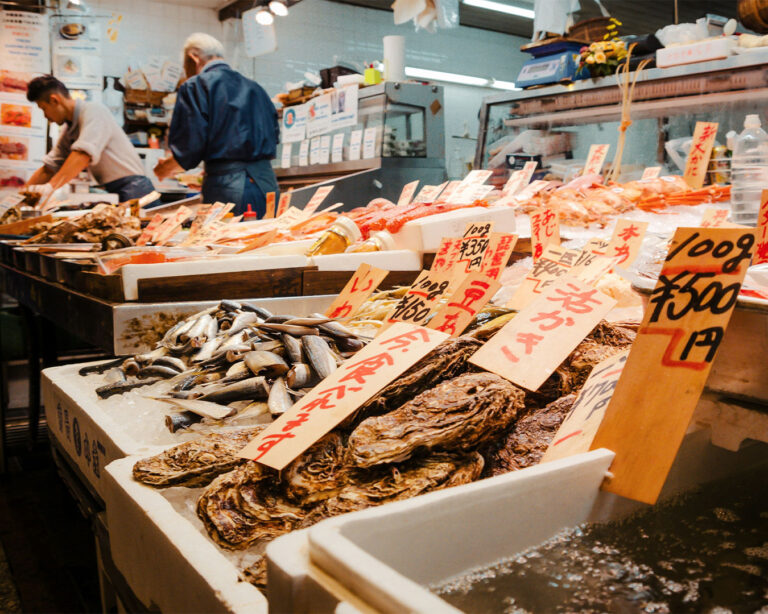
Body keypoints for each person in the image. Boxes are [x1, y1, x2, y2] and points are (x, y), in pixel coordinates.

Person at [154, 33, 279, 217]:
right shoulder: (255, 88)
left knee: (227, 243)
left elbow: (188, 150)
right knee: (264, 241)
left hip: (229, 188)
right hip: (267, 184)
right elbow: (273, 137)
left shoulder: (196, 86)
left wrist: (164, 169)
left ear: (193, 57)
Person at [25, 75, 155, 204]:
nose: (45, 116)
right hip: (113, 190)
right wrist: (22, 196)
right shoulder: (70, 128)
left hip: (135, 188)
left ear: (54, 100)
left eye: (44, 109)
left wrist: (49, 187)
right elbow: (49, 168)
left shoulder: (94, 111)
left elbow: (82, 154)